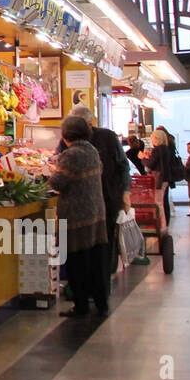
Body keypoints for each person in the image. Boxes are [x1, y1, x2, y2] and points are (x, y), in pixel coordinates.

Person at [50, 113, 110, 318]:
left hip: (77, 217)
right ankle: (102, 303)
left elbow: (58, 183)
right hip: (96, 212)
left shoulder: (70, 155)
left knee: (77, 263)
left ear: (66, 135)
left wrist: (51, 171)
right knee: (95, 261)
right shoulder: (92, 150)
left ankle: (81, 305)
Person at [61, 104, 131, 272]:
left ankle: (102, 281)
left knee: (103, 243)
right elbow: (58, 163)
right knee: (83, 247)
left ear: (90, 125)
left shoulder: (108, 137)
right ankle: (89, 283)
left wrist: (126, 192)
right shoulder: (68, 140)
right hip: (80, 206)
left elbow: (123, 165)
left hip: (108, 199)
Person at [147, 126, 172, 225]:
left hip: (158, 179)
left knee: (158, 203)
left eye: (152, 137)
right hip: (165, 179)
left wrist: (143, 158)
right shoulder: (166, 149)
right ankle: (164, 223)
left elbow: (151, 164)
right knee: (162, 202)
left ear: (156, 138)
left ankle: (161, 224)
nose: (151, 139)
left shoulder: (157, 150)